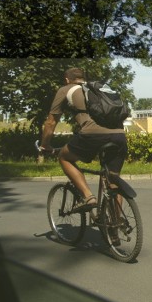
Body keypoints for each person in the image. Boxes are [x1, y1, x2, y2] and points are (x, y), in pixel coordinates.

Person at [39, 67, 127, 212]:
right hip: (119, 135)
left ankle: (88, 197)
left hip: (92, 135)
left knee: (64, 157)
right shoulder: (97, 89)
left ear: (67, 79)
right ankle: (115, 227)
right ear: (83, 78)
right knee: (113, 182)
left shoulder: (66, 89)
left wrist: (45, 145)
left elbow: (51, 122)